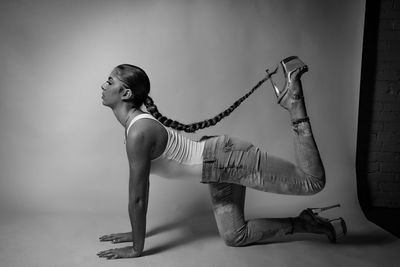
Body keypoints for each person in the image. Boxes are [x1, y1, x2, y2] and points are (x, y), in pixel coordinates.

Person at [97, 56, 347, 259]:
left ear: (126, 93)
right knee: (234, 236)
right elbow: (139, 196)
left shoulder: (139, 132)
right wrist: (135, 232)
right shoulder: (136, 127)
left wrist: (137, 247)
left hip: (229, 159)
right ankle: (308, 223)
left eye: (109, 82)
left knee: (313, 181)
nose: (103, 86)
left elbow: (139, 197)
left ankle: (295, 103)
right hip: (216, 169)